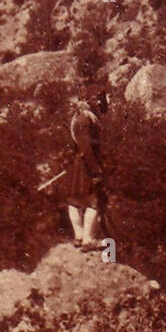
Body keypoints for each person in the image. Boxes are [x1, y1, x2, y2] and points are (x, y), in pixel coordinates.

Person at [64, 94, 105, 250]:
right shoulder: (85, 119)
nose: (99, 103)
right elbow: (87, 147)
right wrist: (95, 170)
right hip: (85, 165)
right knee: (93, 202)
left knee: (74, 202)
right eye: (95, 100)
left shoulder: (77, 119)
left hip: (77, 164)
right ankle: (87, 239)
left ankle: (79, 236)